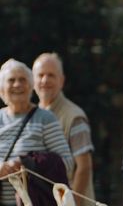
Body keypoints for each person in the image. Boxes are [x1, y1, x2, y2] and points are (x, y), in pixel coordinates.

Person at [0, 59, 73, 206]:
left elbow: (67, 164)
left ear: (31, 86)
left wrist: (27, 163)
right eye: (11, 80)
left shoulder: (45, 119)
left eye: (22, 80)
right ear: (1, 89)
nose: (17, 84)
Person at [32, 53, 95, 206]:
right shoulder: (31, 116)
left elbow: (84, 167)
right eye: (40, 75)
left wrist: (73, 203)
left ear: (62, 81)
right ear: (33, 81)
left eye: (51, 75)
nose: (45, 80)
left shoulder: (74, 116)